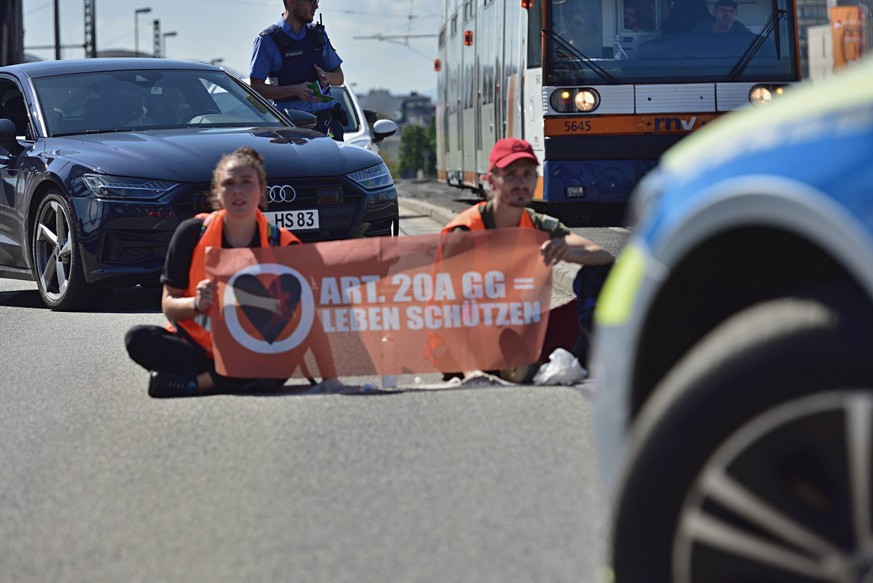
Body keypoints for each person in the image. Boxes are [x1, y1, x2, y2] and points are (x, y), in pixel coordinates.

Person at [125, 147, 342, 398]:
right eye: (229, 183)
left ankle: (197, 384)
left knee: (282, 358)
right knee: (138, 338)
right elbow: (169, 304)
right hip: (199, 348)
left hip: (258, 352)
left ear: (261, 190)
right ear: (218, 192)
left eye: (247, 182)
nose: (238, 190)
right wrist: (196, 303)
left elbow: (308, 318)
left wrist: (330, 378)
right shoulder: (192, 233)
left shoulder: (283, 243)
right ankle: (230, 379)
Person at [440, 138, 615, 381]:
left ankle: (540, 360)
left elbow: (603, 256)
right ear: (491, 181)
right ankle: (508, 364)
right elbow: (448, 307)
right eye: (511, 175)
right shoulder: (465, 231)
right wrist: (472, 372)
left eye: (528, 174)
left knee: (603, 274)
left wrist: (568, 252)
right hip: (468, 341)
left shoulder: (536, 223)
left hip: (517, 328)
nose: (521, 182)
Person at [249, 0, 346, 140]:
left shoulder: (318, 35)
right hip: (289, 129)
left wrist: (327, 76)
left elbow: (339, 77)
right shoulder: (267, 40)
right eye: (311, 1)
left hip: (327, 126)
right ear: (291, 1)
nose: (316, 5)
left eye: (317, 1)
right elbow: (256, 88)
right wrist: (294, 90)